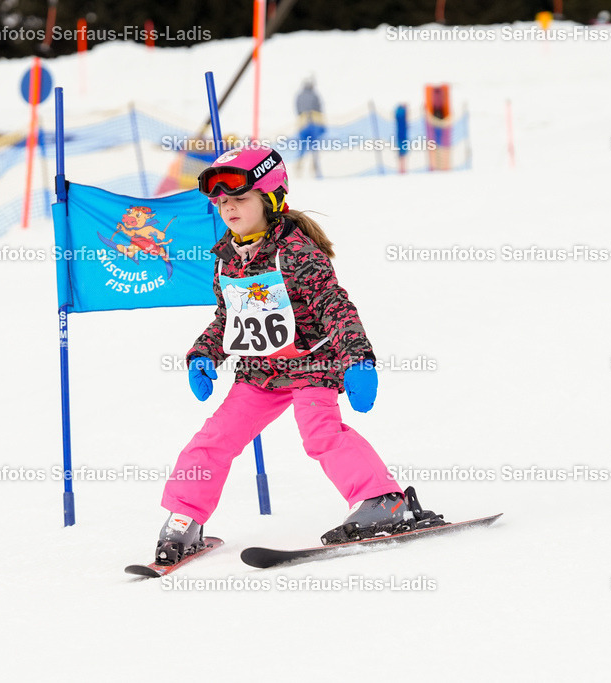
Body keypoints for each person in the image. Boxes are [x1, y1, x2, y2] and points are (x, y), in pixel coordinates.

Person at [151, 147, 443, 565]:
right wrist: (203, 354)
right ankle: (185, 518)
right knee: (213, 439)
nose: (229, 208)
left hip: (311, 365)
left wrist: (358, 359)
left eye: (240, 198)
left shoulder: (296, 252)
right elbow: (228, 317)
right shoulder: (226, 259)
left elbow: (334, 305)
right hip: (260, 372)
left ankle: (382, 500)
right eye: (222, 201)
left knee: (320, 433)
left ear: (270, 199)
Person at [294, 78, 325, 178]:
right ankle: (316, 169)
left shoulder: (299, 95)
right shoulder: (314, 95)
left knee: (302, 147)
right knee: (314, 147)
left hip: (302, 124)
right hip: (314, 124)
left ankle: (298, 168)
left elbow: (297, 109)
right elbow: (319, 108)